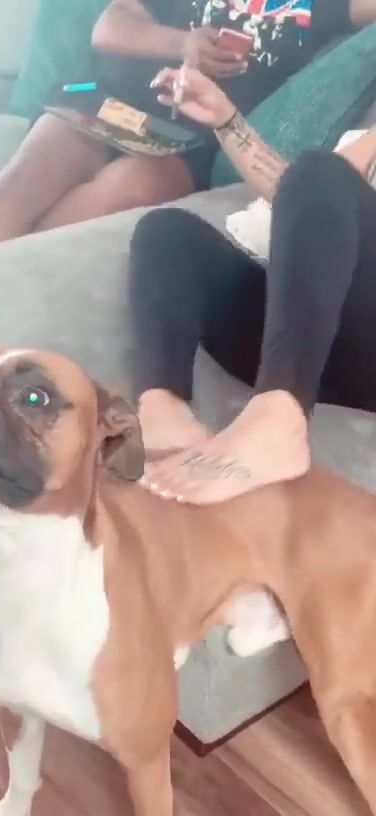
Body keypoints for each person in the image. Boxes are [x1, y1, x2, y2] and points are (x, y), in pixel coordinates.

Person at [0, 0, 347, 407]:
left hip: (190, 139)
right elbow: (109, 26)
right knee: (16, 188)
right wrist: (183, 42)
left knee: (103, 205)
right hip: (110, 100)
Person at [129, 63, 376, 505]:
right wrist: (228, 122)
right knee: (167, 234)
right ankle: (164, 412)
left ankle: (279, 421)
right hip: (314, 335)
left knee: (321, 171)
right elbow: (308, 197)